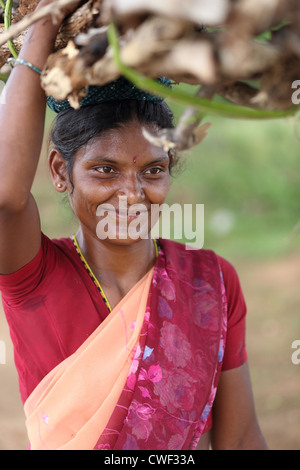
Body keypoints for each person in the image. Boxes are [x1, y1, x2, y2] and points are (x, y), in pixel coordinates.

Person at [0, 0, 268, 450]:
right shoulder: (35, 276)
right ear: (60, 172)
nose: (132, 193)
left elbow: (239, 438)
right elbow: (6, 200)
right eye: (105, 170)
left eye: (152, 170)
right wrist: (42, 23)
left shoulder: (213, 282)